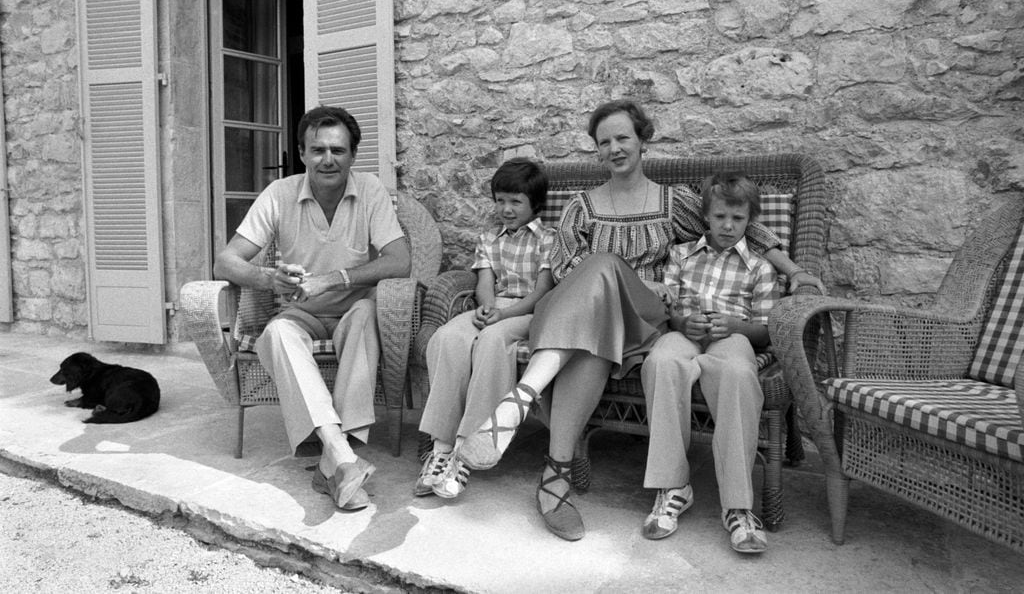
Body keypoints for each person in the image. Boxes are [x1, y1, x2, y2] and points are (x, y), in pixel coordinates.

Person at [459, 99, 822, 541]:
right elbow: (560, 272)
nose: (614, 148)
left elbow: (752, 234)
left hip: (646, 320)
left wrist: (793, 271)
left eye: (622, 137)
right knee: (594, 326)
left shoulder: (675, 203)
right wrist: (612, 280)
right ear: (596, 150)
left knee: (606, 264)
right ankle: (555, 478)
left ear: (643, 140)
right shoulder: (582, 207)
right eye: (604, 141)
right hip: (582, 317)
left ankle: (523, 395)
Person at [213, 106, 410, 512]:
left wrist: (335, 277)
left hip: (353, 309)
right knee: (277, 334)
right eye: (317, 149)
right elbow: (226, 262)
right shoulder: (280, 194)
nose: (328, 159)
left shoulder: (370, 189)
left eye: (338, 150)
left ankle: (333, 460)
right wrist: (271, 279)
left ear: (354, 155)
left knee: (364, 318)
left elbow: (399, 259)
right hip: (299, 314)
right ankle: (340, 454)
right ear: (302, 153)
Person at [641, 172, 777, 554]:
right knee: (661, 362)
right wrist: (683, 322)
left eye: (737, 218)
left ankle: (737, 505)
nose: (728, 226)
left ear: (750, 219)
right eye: (720, 217)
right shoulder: (682, 255)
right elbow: (666, 312)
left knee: (737, 373)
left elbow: (764, 331)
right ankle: (673, 487)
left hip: (732, 337)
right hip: (685, 332)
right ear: (706, 216)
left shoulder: (760, 268)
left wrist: (734, 325)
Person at [415, 158, 556, 500]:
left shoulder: (547, 240)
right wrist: (488, 307)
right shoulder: (489, 238)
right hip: (494, 308)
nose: (506, 209)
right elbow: (484, 281)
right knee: (447, 336)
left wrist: (504, 317)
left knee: (492, 341)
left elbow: (542, 292)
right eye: (501, 200)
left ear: (534, 205)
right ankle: (442, 447)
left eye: (516, 202)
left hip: (528, 312)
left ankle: (468, 449)